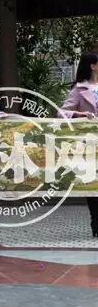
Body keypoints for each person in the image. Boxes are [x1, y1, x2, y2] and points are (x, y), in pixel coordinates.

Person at [58, 51, 98, 237]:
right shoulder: (79, 89)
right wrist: (79, 114)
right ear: (93, 66)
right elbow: (62, 112)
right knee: (93, 183)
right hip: (90, 142)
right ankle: (96, 221)